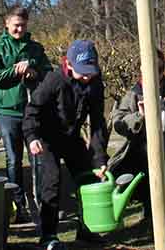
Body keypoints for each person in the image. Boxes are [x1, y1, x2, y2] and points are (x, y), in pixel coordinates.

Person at [23, 39, 109, 250]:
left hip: (71, 137)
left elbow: (98, 123)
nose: (87, 76)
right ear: (68, 64)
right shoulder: (54, 80)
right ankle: (48, 236)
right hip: (47, 139)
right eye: (83, 71)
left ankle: (87, 229)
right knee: (51, 184)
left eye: (91, 71)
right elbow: (32, 110)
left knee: (88, 178)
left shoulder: (95, 84)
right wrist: (32, 136)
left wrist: (99, 158)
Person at [0, 6, 51, 224]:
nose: (19, 29)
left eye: (23, 25)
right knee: (13, 160)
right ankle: (16, 205)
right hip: (7, 112)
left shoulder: (35, 49)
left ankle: (43, 203)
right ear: (7, 24)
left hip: (32, 112)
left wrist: (33, 70)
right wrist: (15, 71)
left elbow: (48, 76)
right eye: (16, 26)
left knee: (38, 160)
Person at [108, 49, 165, 221]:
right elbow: (119, 123)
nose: (154, 75)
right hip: (137, 153)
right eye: (149, 70)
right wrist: (140, 116)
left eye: (158, 69)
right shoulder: (132, 95)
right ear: (141, 72)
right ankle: (149, 208)